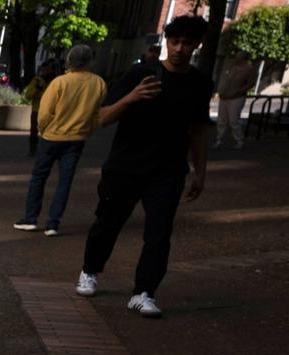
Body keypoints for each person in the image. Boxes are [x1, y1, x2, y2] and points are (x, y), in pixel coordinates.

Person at [75, 14, 212, 318]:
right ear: (166, 42)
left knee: (159, 233)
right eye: (174, 42)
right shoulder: (140, 74)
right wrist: (132, 97)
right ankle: (90, 270)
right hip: (125, 165)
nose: (179, 49)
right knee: (107, 224)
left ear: (197, 45)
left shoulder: (200, 84)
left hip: (168, 170)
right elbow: (102, 117)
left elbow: (200, 130)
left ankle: (144, 292)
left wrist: (200, 172)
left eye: (186, 43)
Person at [13, 45, 107, 237]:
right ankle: (53, 223)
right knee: (65, 181)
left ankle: (31, 218)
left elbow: (45, 113)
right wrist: (87, 131)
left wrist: (43, 129)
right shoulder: (99, 84)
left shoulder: (59, 82)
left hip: (52, 137)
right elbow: (97, 114)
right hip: (77, 138)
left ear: (70, 60)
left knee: (39, 178)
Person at [23, 57, 63, 154]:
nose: (45, 71)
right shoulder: (37, 81)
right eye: (44, 69)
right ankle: (33, 149)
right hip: (37, 111)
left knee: (48, 132)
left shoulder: (57, 82)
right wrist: (38, 90)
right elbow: (28, 96)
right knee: (34, 132)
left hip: (51, 112)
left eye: (48, 69)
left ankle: (46, 150)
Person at [215, 55, 256, 148]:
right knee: (221, 119)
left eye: (238, 57)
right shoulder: (231, 66)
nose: (236, 59)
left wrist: (239, 91)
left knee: (234, 120)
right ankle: (219, 139)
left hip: (236, 97)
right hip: (224, 96)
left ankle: (239, 140)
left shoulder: (249, 69)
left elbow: (250, 83)